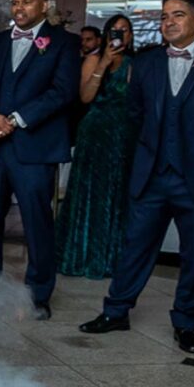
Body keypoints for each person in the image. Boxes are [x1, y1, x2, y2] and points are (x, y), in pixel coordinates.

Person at [80, 0, 194, 354]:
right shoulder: (145, 63)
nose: (169, 22)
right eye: (164, 16)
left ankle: (186, 323)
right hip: (154, 174)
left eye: (178, 15)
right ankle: (116, 311)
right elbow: (134, 116)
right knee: (134, 246)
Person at [0, 0, 79, 319]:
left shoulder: (65, 44)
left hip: (34, 148)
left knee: (36, 222)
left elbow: (63, 92)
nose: (19, 8)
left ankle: (39, 294)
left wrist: (14, 119)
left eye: (27, 2)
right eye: (15, 2)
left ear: (45, 6)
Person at [55, 14, 136, 279]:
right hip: (95, 130)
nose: (120, 35)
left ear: (131, 35)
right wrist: (104, 62)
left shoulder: (136, 64)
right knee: (90, 191)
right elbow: (85, 96)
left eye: (124, 31)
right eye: (115, 30)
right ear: (106, 35)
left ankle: (111, 258)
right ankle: (82, 255)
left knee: (117, 192)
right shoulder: (93, 59)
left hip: (123, 133)